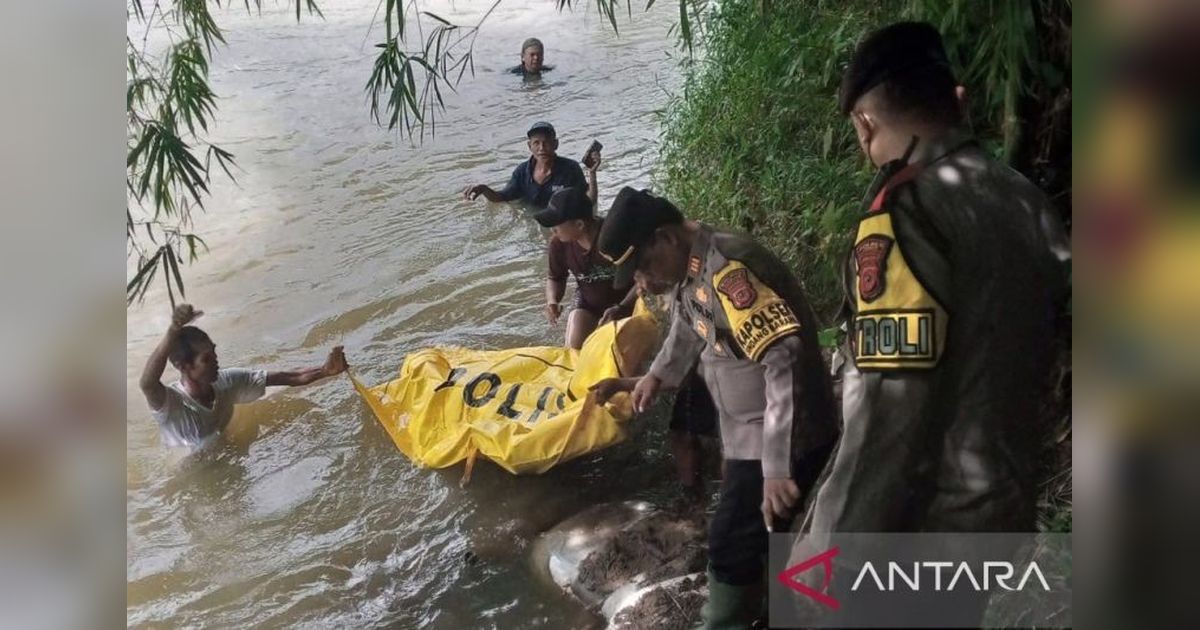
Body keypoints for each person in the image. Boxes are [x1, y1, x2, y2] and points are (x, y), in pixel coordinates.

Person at [800, 21, 1070, 537]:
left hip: (924, 523)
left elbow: (886, 417)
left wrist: (821, 566)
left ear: (864, 122)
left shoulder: (905, 214)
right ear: (957, 101)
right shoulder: (1021, 196)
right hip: (1006, 501)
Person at [590, 187, 837, 628]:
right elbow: (689, 327)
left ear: (664, 238)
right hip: (749, 432)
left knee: (731, 542)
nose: (643, 283)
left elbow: (783, 359)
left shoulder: (728, 270)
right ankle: (774, 610)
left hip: (780, 434)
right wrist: (655, 376)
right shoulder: (691, 267)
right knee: (764, 534)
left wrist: (776, 466)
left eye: (644, 268)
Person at [138, 303, 349, 450]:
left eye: (214, 352)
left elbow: (288, 377)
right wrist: (173, 331)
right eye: (206, 359)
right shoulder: (171, 405)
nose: (216, 361)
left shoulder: (227, 381)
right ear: (183, 366)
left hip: (223, 454)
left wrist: (325, 371)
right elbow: (147, 383)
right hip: (190, 474)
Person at [535, 187, 636, 349]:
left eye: (556, 225)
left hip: (627, 299)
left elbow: (642, 278)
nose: (552, 230)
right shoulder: (558, 243)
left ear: (579, 224)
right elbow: (555, 278)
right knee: (573, 349)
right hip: (588, 300)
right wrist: (552, 300)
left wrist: (623, 307)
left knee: (623, 351)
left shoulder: (614, 237)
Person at [462, 121, 595, 210]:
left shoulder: (570, 169)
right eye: (536, 143)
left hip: (561, 221)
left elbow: (588, 203)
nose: (542, 148)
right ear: (529, 146)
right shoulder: (522, 172)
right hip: (532, 218)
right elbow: (502, 197)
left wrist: (592, 173)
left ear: (556, 144)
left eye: (546, 142)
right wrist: (484, 189)